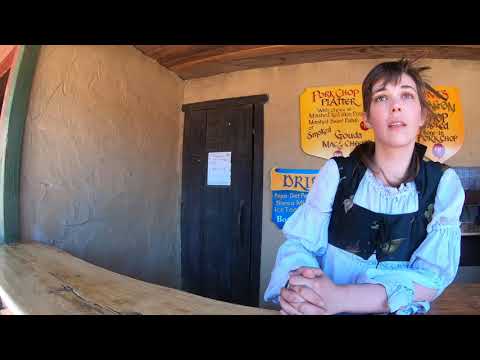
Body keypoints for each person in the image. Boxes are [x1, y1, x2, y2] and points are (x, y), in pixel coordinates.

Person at [264, 58, 465, 315]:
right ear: (366, 119)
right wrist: (303, 290)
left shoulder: (443, 184)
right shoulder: (337, 173)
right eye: (382, 98)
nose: (395, 107)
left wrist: (340, 297)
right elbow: (299, 245)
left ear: (422, 115)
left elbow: (431, 281)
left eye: (406, 95)